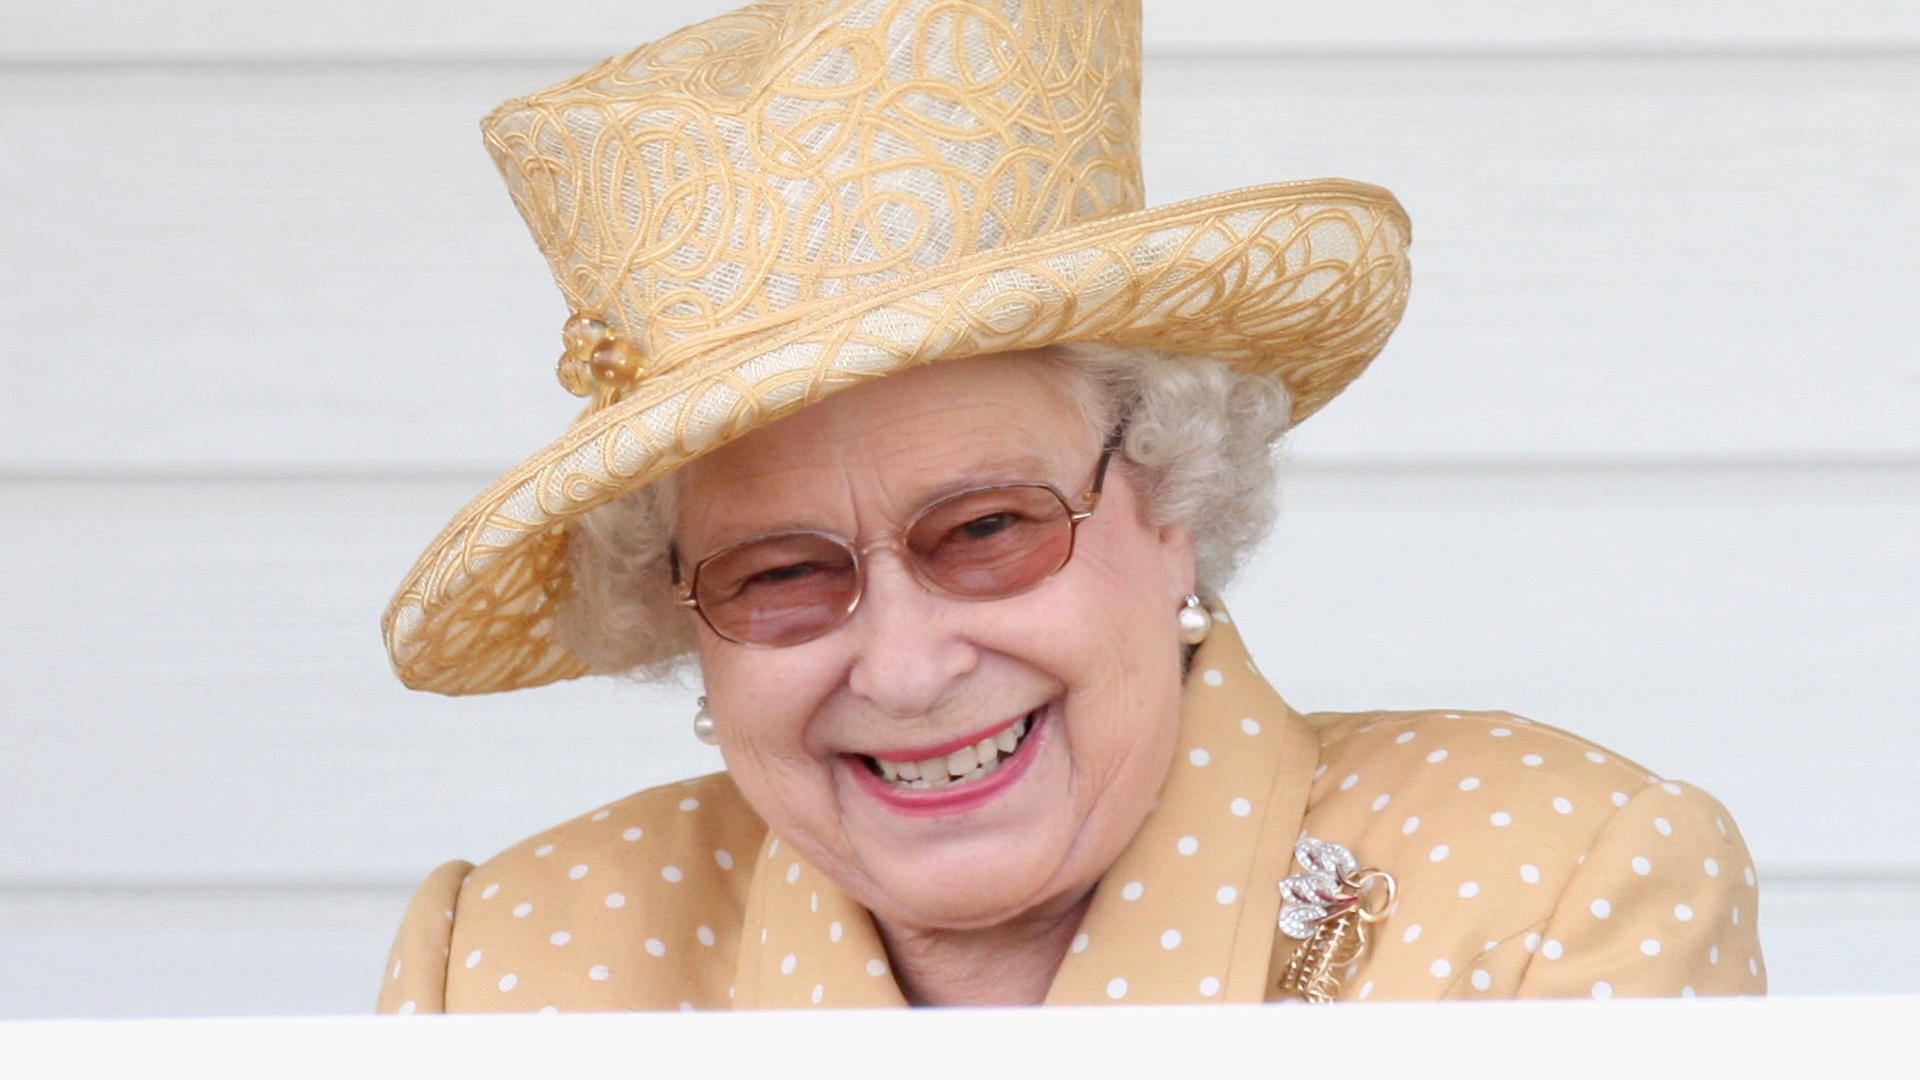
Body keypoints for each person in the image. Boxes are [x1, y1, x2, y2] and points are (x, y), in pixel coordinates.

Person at [375, 0, 1764, 1012]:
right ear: (687, 624)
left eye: (987, 531)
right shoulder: (505, 965)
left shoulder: (1551, 888)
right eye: (777, 573)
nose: (908, 669)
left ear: (1171, 499)